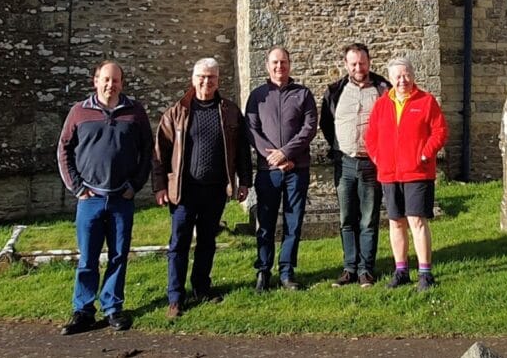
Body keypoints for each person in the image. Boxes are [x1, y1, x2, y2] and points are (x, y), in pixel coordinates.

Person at [56, 60, 153, 335]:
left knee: (118, 255)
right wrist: (77, 188)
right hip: (90, 198)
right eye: (106, 80)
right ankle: (83, 311)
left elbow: (147, 150)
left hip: (122, 197)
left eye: (116, 80)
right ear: (96, 81)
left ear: (122, 83)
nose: (111, 85)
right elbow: (64, 150)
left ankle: (113, 308)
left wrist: (135, 185)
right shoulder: (79, 112)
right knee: (87, 258)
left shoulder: (135, 112)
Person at [152, 57, 252, 318]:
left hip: (215, 190)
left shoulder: (229, 111)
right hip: (184, 191)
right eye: (202, 77)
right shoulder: (177, 112)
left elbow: (242, 150)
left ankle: (201, 288)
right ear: (193, 79)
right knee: (179, 244)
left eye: (211, 77)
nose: (206, 81)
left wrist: (244, 181)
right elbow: (160, 152)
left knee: (207, 241)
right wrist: (160, 186)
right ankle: (175, 297)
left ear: (218, 80)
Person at [365, 57, 448, 292]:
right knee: (396, 222)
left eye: (406, 75)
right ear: (390, 79)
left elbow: (440, 131)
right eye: (398, 76)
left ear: (413, 75)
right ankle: (401, 271)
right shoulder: (382, 104)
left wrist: (426, 153)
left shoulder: (426, 101)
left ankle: (425, 273)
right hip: (390, 173)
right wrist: (379, 158)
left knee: (417, 221)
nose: (402, 80)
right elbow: (371, 136)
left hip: (417, 172)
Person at [244, 46, 318, 291]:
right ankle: (263, 271)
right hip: (268, 172)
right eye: (275, 62)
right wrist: (274, 158)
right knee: (265, 222)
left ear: (289, 65)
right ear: (267, 66)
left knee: (293, 222)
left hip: (297, 169)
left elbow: (309, 128)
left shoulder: (303, 94)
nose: (279, 66)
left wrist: (286, 153)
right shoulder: (257, 96)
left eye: (283, 62)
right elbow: (252, 130)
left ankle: (287, 271)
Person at [319, 42, 391, 288]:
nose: (358, 68)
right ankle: (349, 268)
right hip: (345, 162)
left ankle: (366, 270)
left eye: (362, 63)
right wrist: (340, 145)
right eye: (353, 64)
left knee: (368, 219)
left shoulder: (383, 89)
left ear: (369, 62)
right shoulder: (335, 91)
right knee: (346, 218)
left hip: (372, 163)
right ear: (346, 64)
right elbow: (326, 123)